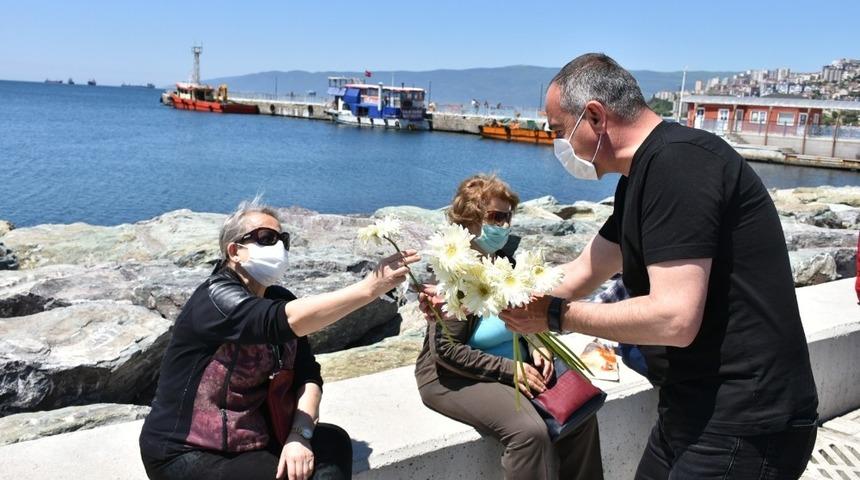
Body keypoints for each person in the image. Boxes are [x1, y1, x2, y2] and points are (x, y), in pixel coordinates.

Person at [499, 53, 819, 479]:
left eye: (560, 131)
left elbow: (674, 318)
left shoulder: (680, 164)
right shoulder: (641, 178)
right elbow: (582, 271)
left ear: (594, 116)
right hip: (691, 407)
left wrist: (557, 316)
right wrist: (493, 297)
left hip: (746, 419)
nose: (559, 145)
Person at [139, 198, 419, 480]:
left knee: (332, 442)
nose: (279, 247)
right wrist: (370, 288)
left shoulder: (279, 299)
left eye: (282, 239)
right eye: (266, 238)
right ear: (235, 251)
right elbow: (280, 320)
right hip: (187, 451)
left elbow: (308, 376)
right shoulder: (216, 299)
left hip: (254, 438)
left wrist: (300, 434)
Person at [414, 174, 604, 480]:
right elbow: (446, 351)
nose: (504, 225)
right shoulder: (454, 275)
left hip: (513, 363)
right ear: (471, 220)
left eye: (508, 217)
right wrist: (509, 370)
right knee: (529, 433)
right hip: (453, 376)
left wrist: (537, 338)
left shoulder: (504, 260)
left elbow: (521, 316)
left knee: (581, 412)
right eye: (495, 217)